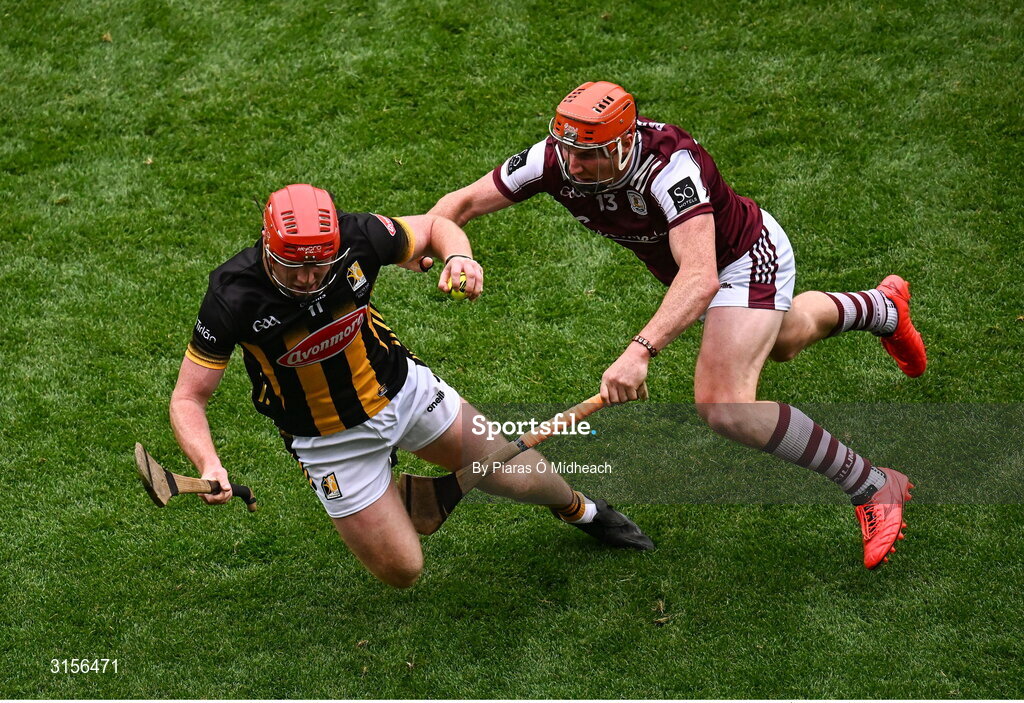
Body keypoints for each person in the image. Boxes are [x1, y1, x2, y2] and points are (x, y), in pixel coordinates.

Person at [429, 82, 925, 570]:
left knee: (725, 405)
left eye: (589, 155)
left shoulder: (671, 167)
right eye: (566, 150)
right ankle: (882, 308)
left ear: (624, 144)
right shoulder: (554, 159)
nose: (573, 166)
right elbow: (458, 205)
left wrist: (639, 351)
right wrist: (445, 252)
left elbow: (701, 275)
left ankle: (873, 484)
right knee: (786, 339)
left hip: (742, 259)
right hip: (697, 273)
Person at [170, 184, 654, 589]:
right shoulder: (232, 295)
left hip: (405, 392)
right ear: (266, 245)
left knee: (522, 477)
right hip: (328, 442)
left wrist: (459, 256)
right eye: (293, 266)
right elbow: (189, 396)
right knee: (403, 570)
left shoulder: (359, 236)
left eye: (319, 265)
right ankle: (388, 493)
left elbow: (433, 227)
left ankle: (581, 511)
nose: (309, 278)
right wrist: (208, 463)